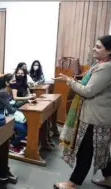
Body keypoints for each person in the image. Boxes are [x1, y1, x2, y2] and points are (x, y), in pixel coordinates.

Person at [53, 35, 111, 189]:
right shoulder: (100, 64)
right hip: (99, 116)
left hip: (95, 117)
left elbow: (88, 91)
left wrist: (70, 81)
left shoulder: (106, 67)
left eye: (99, 47)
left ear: (109, 51)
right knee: (101, 148)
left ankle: (73, 183)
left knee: (85, 150)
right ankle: (109, 177)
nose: (94, 48)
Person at [0, 74, 27, 153]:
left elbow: (14, 104)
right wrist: (17, 109)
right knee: (23, 129)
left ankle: (15, 142)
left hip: (9, 114)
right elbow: (11, 109)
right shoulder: (3, 93)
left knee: (26, 123)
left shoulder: (9, 91)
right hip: (2, 116)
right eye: (13, 81)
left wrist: (26, 100)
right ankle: (11, 145)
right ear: (7, 83)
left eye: (15, 80)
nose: (15, 82)